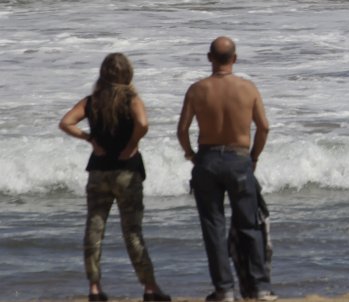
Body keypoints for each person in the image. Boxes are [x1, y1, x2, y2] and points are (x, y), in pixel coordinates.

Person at [59, 53, 171, 302]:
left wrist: (90, 139)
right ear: (128, 74)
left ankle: (95, 289)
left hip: (98, 171)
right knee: (132, 231)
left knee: (94, 229)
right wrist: (132, 144)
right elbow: (142, 123)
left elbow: (66, 122)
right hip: (126, 171)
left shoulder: (93, 101)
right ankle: (150, 288)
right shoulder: (131, 99)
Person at [177, 37, 276, 302]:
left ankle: (224, 290)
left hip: (207, 160)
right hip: (239, 160)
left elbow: (182, 130)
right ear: (235, 58)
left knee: (213, 227)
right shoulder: (247, 88)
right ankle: (260, 289)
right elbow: (264, 127)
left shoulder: (197, 90)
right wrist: (253, 157)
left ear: (209, 58)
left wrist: (191, 155)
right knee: (249, 226)